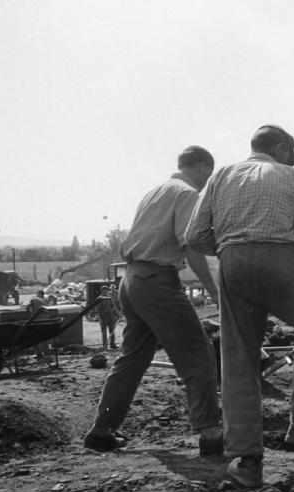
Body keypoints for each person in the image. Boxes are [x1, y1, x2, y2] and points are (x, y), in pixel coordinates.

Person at [186, 124, 294, 488]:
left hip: (232, 262)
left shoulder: (221, 174)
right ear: (282, 148)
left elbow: (194, 236)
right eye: (291, 151)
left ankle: (247, 461)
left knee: (239, 357)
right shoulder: (291, 175)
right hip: (279, 258)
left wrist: (229, 248)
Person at [83, 146, 223, 457]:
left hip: (131, 281)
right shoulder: (187, 194)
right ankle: (211, 433)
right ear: (201, 167)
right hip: (156, 281)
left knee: (132, 357)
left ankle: (101, 431)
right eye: (208, 176)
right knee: (197, 352)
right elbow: (191, 248)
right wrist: (213, 290)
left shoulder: (155, 192)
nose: (206, 184)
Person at [97, 284, 118, 350]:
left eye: (107, 290)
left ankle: (112, 344)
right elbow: (98, 309)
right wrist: (100, 318)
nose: (106, 291)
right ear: (102, 291)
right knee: (104, 331)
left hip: (110, 316)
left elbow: (113, 306)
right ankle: (105, 346)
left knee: (112, 330)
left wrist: (117, 313)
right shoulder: (99, 298)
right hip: (103, 316)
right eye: (105, 290)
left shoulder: (109, 297)